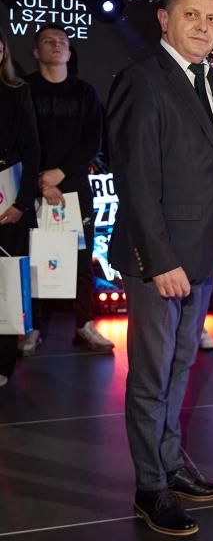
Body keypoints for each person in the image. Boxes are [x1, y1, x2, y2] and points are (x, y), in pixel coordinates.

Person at [107, 0, 213, 536]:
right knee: (151, 376)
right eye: (191, 15)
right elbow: (136, 180)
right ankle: (151, 487)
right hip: (159, 262)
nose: (203, 27)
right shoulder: (141, 80)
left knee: (181, 365)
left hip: (203, 255)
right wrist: (160, 260)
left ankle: (172, 465)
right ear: (165, 20)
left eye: (212, 19)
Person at [21, 23, 112, 355]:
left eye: (62, 41)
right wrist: (40, 181)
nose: (56, 45)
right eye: (48, 41)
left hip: (73, 187)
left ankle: (84, 324)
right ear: (36, 52)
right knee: (34, 258)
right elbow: (19, 139)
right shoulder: (24, 90)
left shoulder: (85, 93)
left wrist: (59, 174)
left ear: (70, 52)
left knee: (80, 259)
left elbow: (93, 142)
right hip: (31, 187)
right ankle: (32, 327)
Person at [0, 29, 40, 388]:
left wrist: (21, 204)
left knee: (7, 284)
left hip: (9, 203)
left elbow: (32, 151)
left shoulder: (18, 91)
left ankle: (3, 362)